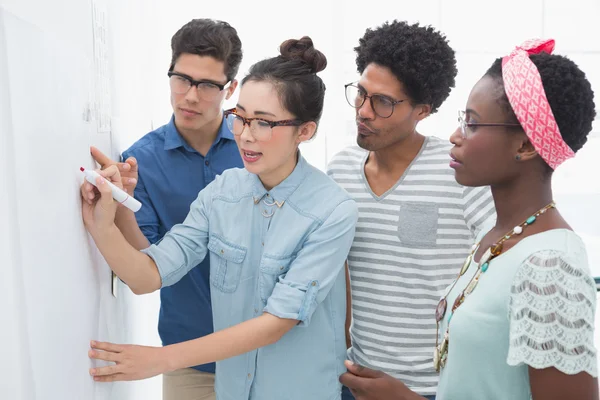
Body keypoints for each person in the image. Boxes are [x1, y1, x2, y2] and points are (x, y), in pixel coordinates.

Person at [81, 36, 358, 400]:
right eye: (240, 118)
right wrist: (100, 221)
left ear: (304, 131)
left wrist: (161, 359)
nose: (245, 135)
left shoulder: (333, 210)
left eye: (263, 123)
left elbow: (278, 322)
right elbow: (147, 276)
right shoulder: (222, 192)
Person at [341, 39, 599, 400]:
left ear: (524, 146)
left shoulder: (550, 265)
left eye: (473, 124)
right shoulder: (497, 239)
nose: (455, 136)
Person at [328, 21, 495, 400]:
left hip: (438, 389)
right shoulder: (339, 171)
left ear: (423, 110)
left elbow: (498, 274)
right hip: (355, 380)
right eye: (361, 93)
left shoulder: (459, 171)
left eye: (383, 102)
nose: (364, 111)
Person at [85, 18, 244, 400]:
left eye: (207, 85)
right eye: (182, 79)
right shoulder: (141, 159)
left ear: (231, 87)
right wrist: (121, 203)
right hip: (188, 362)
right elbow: (146, 264)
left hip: (270, 354)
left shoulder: (254, 145)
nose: (190, 96)